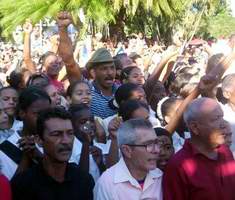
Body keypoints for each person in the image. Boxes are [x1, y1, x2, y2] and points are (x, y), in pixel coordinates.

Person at [11, 107, 94, 200]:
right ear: (39, 140)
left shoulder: (84, 181)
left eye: (70, 133)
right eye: (56, 134)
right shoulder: (23, 185)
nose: (66, 141)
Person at [163, 97, 235, 200]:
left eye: (222, 117)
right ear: (195, 128)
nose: (223, 124)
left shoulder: (225, 151)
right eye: (215, 119)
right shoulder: (178, 166)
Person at [57, 12, 118, 119]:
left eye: (112, 68)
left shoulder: (121, 91)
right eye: (104, 69)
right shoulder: (86, 89)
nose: (110, 72)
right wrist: (62, 29)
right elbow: (69, 62)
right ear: (93, 72)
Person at [94, 119, 163, 200]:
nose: (156, 150)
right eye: (148, 145)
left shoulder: (160, 176)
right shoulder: (107, 183)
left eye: (157, 143)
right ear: (127, 150)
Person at [0, 87, 51, 180]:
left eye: (48, 113)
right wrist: (26, 156)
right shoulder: (4, 151)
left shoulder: (57, 138)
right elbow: (11, 190)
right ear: (22, 113)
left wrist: (39, 156)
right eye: (38, 114)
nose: (44, 119)